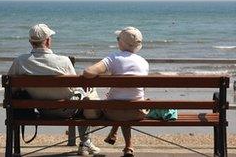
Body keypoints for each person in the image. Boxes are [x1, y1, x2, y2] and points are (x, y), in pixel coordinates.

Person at [8, 23, 100, 156]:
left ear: (30, 42)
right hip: (67, 111)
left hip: (40, 111)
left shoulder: (20, 61)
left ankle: (14, 150)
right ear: (48, 41)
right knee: (87, 93)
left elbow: (12, 89)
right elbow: (75, 87)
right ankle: (85, 142)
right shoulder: (63, 61)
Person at [83, 26, 149, 157]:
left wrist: (106, 73)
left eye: (118, 38)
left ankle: (115, 134)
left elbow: (88, 72)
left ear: (122, 42)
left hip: (113, 112)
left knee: (118, 103)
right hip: (137, 113)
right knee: (129, 102)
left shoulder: (114, 58)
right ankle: (128, 146)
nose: (117, 40)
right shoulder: (144, 62)